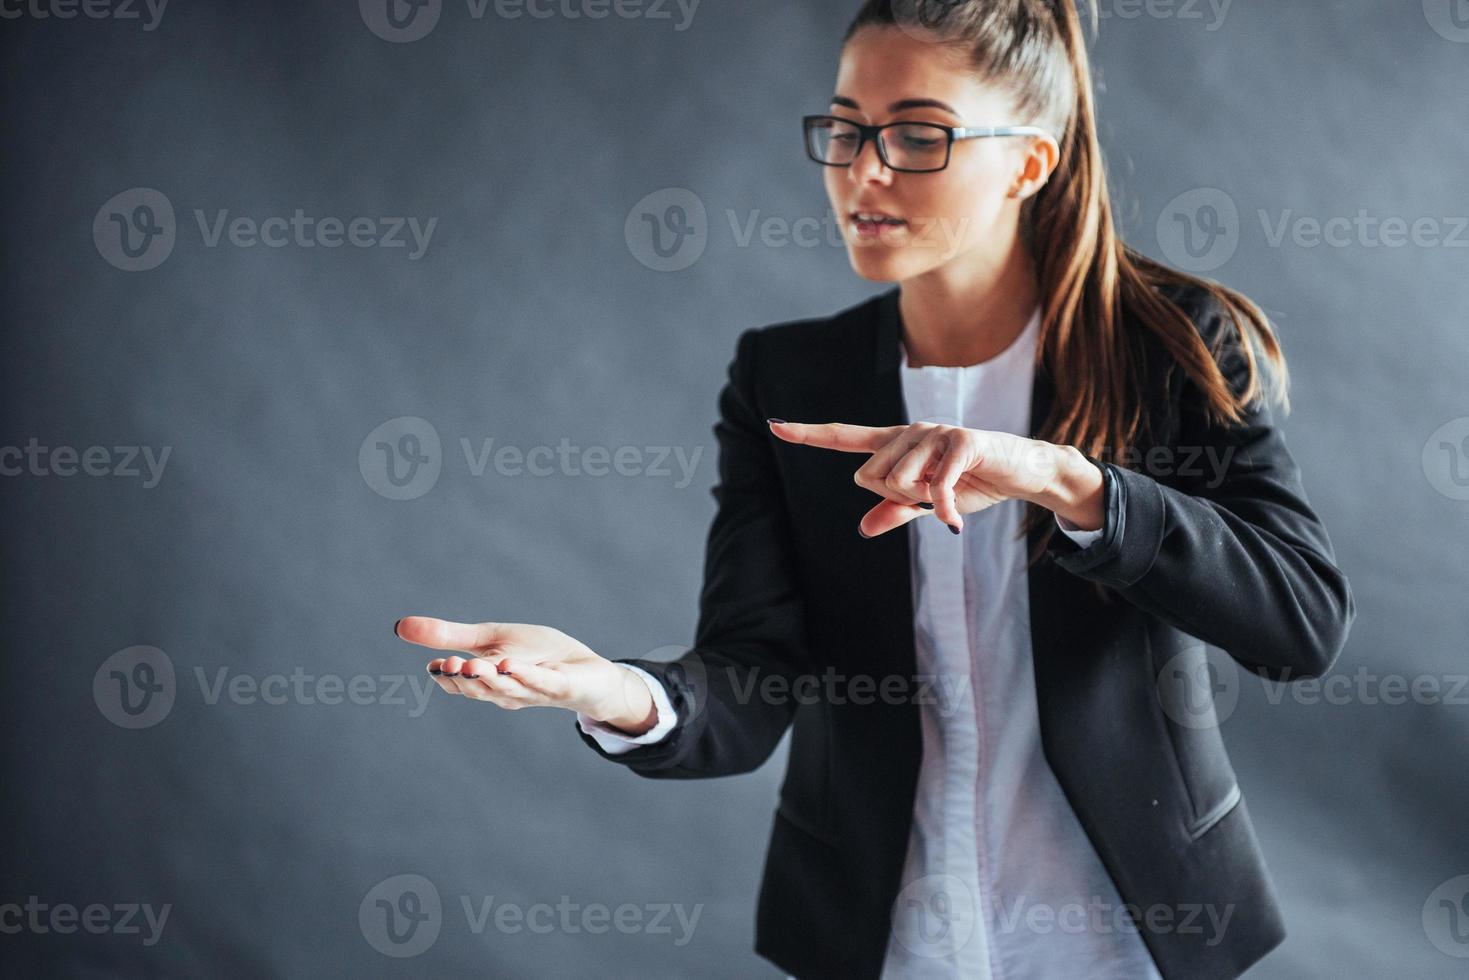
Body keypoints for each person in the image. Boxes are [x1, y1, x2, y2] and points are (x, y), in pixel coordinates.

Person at [394, 1, 1356, 977]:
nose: (860, 169)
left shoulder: (1166, 344)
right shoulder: (786, 377)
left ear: (1029, 162)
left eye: (915, 134)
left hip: (1126, 935)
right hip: (890, 936)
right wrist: (613, 689)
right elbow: (753, 673)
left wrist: (1071, 484)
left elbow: (1299, 623)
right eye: (845, 127)